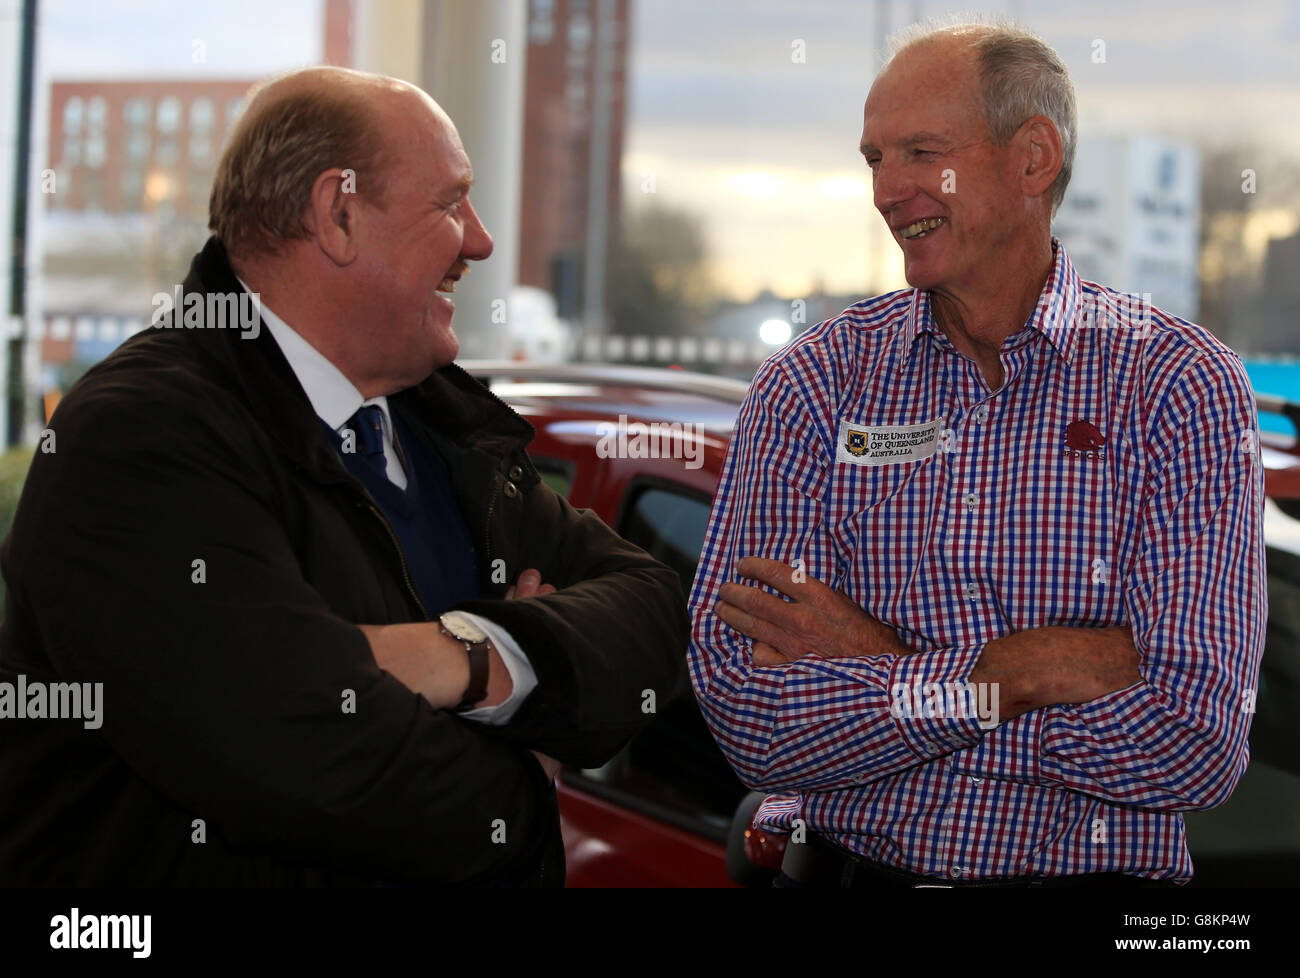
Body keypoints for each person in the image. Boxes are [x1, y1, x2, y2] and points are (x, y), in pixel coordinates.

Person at [0, 67, 686, 886]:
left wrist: (464, 660)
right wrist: (524, 775)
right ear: (339, 214)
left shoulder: (438, 428)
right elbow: (306, 761)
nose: (480, 240)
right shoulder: (140, 438)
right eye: (450, 202)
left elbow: (655, 606)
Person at [688, 22, 1265, 887]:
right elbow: (747, 719)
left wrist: (887, 671)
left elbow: (1195, 743)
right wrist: (1015, 672)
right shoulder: (812, 384)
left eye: (921, 151)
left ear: (1033, 158)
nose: (887, 190)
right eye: (874, 158)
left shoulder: (1178, 388)